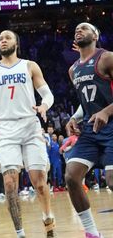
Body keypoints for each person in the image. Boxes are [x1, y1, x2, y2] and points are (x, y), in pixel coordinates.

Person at [0, 30, 56, 238]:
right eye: (0, 38)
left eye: (7, 38)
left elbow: (47, 93)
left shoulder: (29, 66)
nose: (3, 40)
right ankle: (20, 233)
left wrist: (44, 105)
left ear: (16, 43)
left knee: (39, 182)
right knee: (9, 184)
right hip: (6, 129)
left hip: (29, 125)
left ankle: (48, 219)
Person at [64, 23, 113, 238]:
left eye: (84, 28)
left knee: (112, 180)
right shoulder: (73, 69)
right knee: (72, 177)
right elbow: (86, 103)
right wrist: (74, 118)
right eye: (76, 29)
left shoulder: (107, 58)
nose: (79, 30)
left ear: (96, 35)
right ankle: (92, 233)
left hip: (111, 127)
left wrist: (106, 112)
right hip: (91, 130)